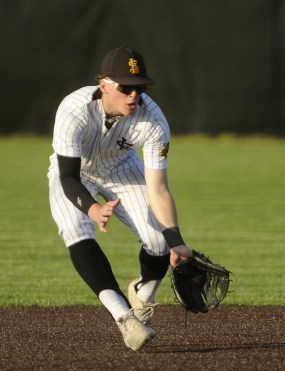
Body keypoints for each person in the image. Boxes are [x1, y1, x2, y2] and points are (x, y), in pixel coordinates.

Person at [47, 46, 192, 352]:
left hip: (121, 168)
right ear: (104, 86)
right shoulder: (73, 110)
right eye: (125, 87)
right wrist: (93, 208)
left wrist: (175, 238)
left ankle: (143, 294)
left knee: (157, 240)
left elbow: (159, 188)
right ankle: (124, 317)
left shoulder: (153, 122)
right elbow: (69, 176)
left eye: (139, 88)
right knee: (75, 230)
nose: (133, 96)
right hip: (76, 173)